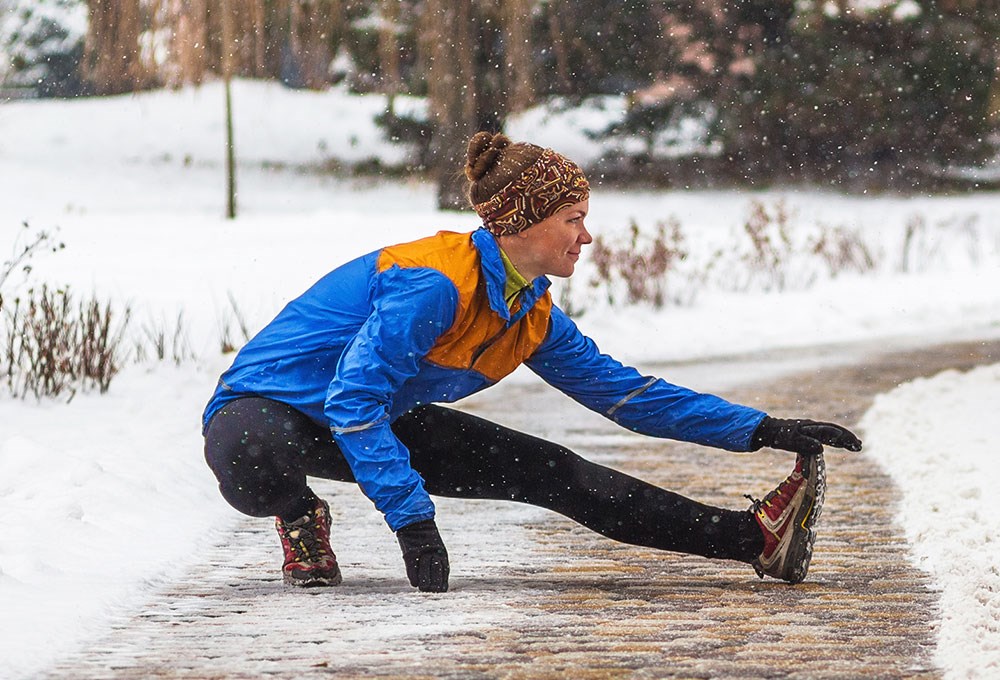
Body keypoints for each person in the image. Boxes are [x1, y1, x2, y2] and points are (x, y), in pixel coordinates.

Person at [202, 132, 862, 593]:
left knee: (557, 473)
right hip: (267, 410)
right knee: (252, 455)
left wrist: (761, 430)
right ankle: (297, 513)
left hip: (367, 416)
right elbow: (351, 400)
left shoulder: (531, 313)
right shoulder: (434, 285)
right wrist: (412, 521)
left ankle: (754, 540)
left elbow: (627, 396)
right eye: (574, 218)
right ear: (522, 224)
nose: (587, 235)